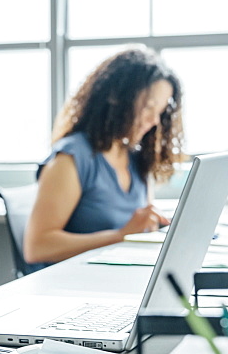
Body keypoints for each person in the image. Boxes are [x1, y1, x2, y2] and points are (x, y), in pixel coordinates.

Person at [22, 46, 183, 268]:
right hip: (73, 286)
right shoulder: (71, 158)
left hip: (117, 277)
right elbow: (37, 247)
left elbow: (138, 226)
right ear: (117, 98)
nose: (154, 121)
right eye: (148, 108)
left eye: (160, 112)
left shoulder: (136, 159)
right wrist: (121, 234)